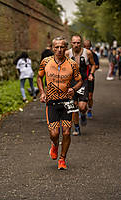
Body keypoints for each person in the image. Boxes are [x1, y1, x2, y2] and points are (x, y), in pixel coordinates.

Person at [37, 36, 82, 170]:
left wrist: (73, 89)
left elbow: (80, 81)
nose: (59, 50)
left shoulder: (72, 64)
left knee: (67, 132)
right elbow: (39, 77)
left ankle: (62, 159)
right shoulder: (45, 62)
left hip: (67, 102)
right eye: (56, 47)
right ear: (52, 48)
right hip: (51, 102)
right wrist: (42, 92)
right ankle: (55, 145)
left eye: (62, 47)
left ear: (66, 48)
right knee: (54, 134)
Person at [65, 34, 96, 136]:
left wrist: (91, 73)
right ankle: (77, 128)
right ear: (71, 43)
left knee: (82, 107)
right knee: (74, 107)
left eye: (78, 43)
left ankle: (83, 114)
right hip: (71, 82)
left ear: (81, 43)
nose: (76, 45)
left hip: (83, 82)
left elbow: (93, 65)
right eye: (74, 43)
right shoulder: (67, 53)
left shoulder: (88, 53)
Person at [83, 39, 99, 119]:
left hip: (90, 78)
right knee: (81, 96)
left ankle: (89, 110)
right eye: (85, 47)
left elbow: (97, 66)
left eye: (88, 47)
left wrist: (91, 69)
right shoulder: (80, 55)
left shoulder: (94, 55)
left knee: (89, 96)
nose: (86, 49)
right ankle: (82, 111)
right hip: (81, 79)